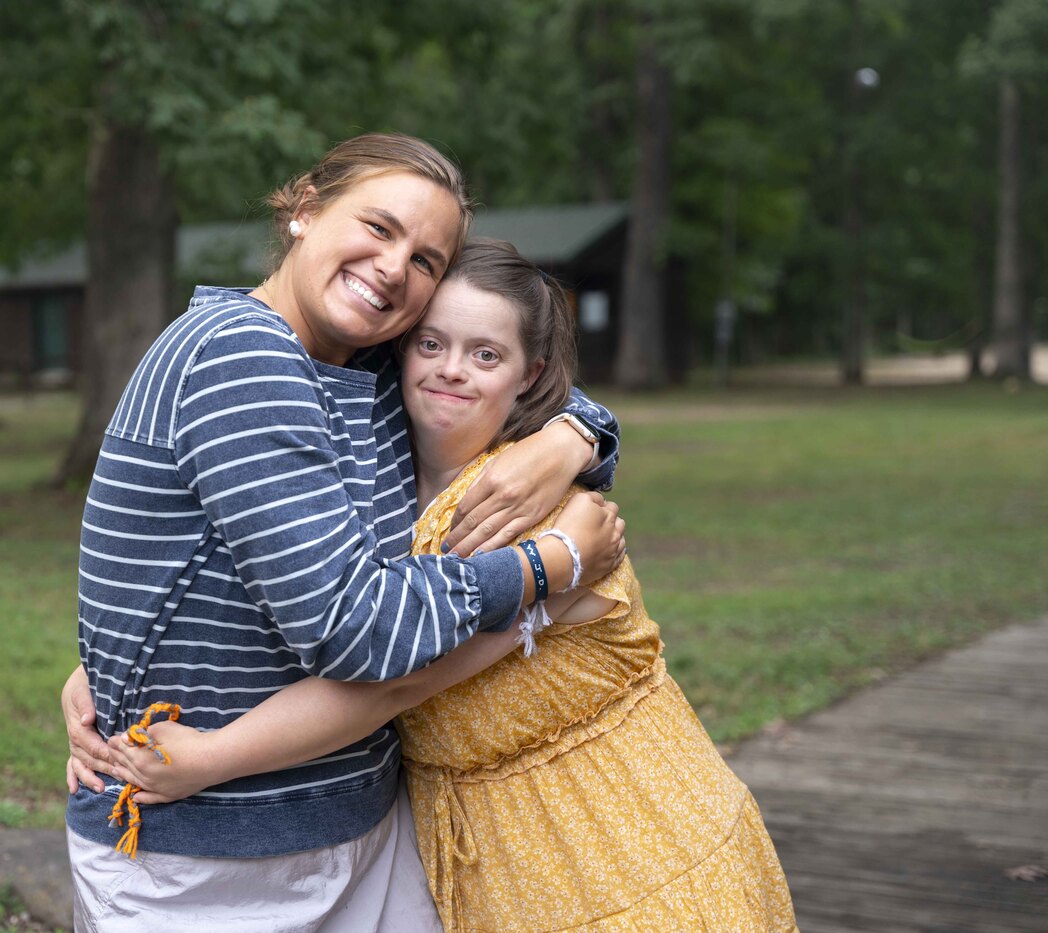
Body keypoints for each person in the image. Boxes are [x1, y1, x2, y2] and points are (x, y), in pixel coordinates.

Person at [96, 240, 798, 932]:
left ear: (531, 374)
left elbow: (397, 682)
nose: (452, 370)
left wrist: (207, 760)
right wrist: (109, 662)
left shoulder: (544, 515)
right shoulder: (375, 476)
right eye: (431, 344)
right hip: (489, 859)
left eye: (486, 355)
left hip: (625, 841)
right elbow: (266, 570)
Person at [61, 135, 627, 930]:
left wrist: (577, 438)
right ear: (303, 211)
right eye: (379, 227)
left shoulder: (363, 369)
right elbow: (354, 627)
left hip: (363, 833)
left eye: (427, 260)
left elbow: (526, 382)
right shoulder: (238, 353)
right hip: (206, 865)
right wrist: (545, 565)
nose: (397, 268)